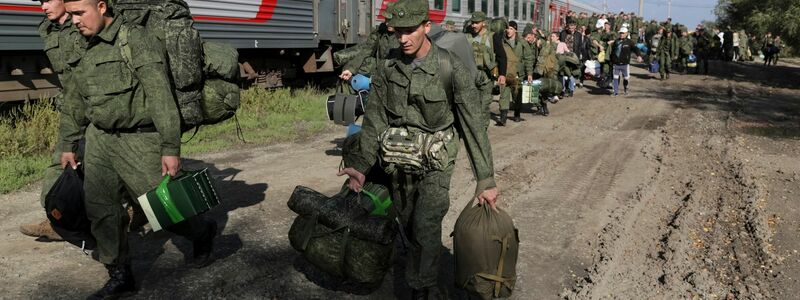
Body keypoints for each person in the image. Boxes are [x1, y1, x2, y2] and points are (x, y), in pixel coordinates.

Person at [337, 0, 498, 298]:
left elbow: (473, 126)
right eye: (398, 32)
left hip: (436, 160)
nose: (403, 39)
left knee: (426, 222)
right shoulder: (387, 69)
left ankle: (422, 289)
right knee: (408, 222)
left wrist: (485, 180)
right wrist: (360, 167)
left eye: (410, 31)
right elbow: (374, 121)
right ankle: (422, 269)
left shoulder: (451, 67)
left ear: (427, 26)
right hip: (398, 158)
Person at [60, 0, 218, 298]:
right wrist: (68, 143)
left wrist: (170, 146)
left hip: (139, 139)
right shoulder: (82, 45)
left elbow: (160, 94)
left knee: (165, 207)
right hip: (98, 142)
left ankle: (201, 230)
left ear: (102, 7)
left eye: (79, 13)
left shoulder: (135, 39)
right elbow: (74, 100)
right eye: (70, 14)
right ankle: (120, 274)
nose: (74, 21)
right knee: (102, 212)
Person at [19, 0, 85, 241]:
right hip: (75, 107)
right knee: (62, 162)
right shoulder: (47, 28)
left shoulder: (85, 24)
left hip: (98, 105)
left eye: (49, 0)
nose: (43, 6)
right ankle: (56, 220)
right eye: (40, 1)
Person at [496, 21, 534, 125]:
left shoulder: (522, 43)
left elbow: (528, 58)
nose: (508, 31)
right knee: (504, 95)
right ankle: (503, 118)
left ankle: (517, 114)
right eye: (507, 28)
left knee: (517, 95)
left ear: (516, 30)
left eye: (511, 29)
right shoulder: (502, 42)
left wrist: (529, 73)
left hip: (518, 74)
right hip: (505, 72)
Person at [608, 27, 643, 96]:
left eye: (623, 33)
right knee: (615, 78)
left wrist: (639, 56)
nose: (621, 34)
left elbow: (636, 49)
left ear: (626, 34)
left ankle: (626, 89)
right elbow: (613, 52)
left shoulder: (630, 42)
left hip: (625, 64)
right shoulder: (616, 41)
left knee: (626, 78)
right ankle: (615, 92)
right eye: (620, 33)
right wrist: (611, 60)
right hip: (616, 64)